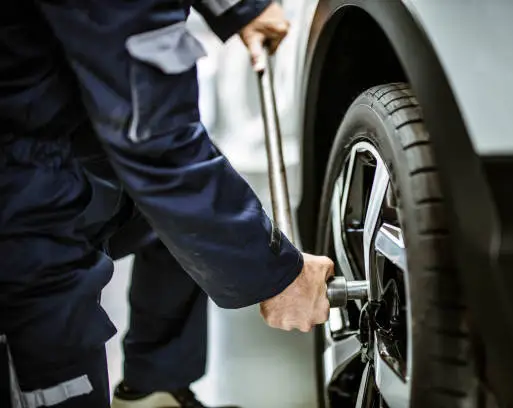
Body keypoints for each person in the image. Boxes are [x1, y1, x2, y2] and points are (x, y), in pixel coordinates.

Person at [0, 0, 334, 407]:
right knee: (53, 347)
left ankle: (153, 389)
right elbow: (158, 147)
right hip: (18, 200)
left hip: (44, 148)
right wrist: (280, 274)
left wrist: (242, 7)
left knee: (181, 227)